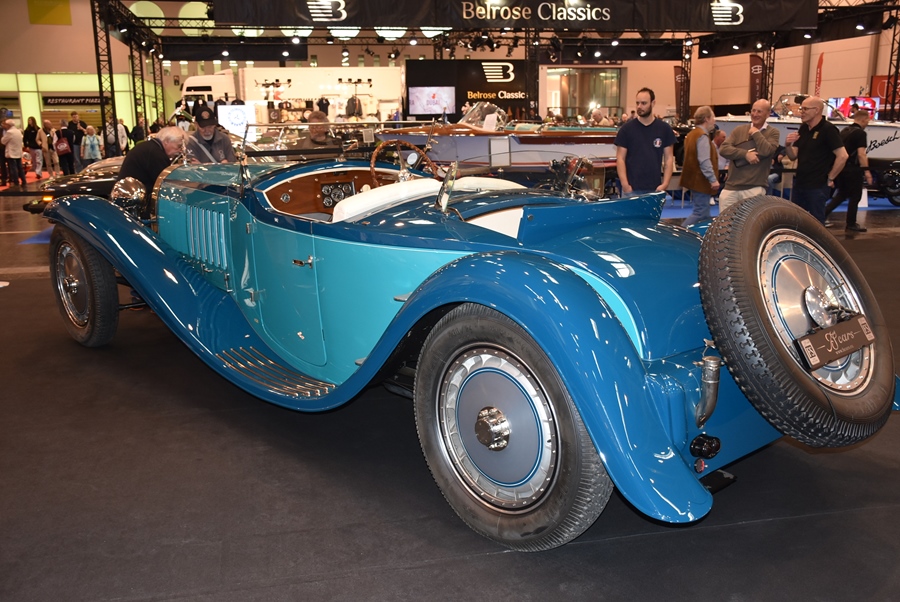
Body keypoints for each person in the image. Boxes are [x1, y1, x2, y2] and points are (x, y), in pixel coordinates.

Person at [784, 96, 848, 224]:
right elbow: (793, 155)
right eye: (801, 109)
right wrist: (787, 145)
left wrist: (830, 178)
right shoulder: (804, 128)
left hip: (817, 186)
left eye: (805, 109)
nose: (802, 112)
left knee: (816, 223)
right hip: (800, 183)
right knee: (796, 221)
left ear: (817, 110)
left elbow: (843, 156)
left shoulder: (828, 129)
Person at [717, 99, 781, 213]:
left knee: (749, 222)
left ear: (768, 114)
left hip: (755, 188)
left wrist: (756, 133)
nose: (755, 114)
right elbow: (724, 149)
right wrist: (745, 154)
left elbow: (767, 151)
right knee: (725, 221)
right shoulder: (739, 130)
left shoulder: (773, 132)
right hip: (731, 187)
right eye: (753, 110)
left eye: (759, 111)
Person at [614, 87, 676, 196]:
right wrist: (625, 185)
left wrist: (665, 184)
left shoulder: (664, 129)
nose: (639, 106)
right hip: (631, 189)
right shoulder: (626, 129)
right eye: (637, 103)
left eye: (643, 103)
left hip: (655, 189)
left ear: (653, 103)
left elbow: (669, 159)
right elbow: (620, 159)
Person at [117, 126, 188, 217]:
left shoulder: (149, 147)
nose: (180, 151)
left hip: (129, 201)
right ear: (167, 141)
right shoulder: (156, 154)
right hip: (136, 206)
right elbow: (166, 186)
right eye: (179, 146)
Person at [824, 110, 873, 232]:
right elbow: (861, 154)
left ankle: (823, 214)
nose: (868, 123)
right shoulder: (860, 133)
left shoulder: (845, 131)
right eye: (867, 120)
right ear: (863, 119)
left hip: (842, 167)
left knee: (842, 194)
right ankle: (851, 223)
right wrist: (867, 171)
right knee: (855, 196)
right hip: (853, 169)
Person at [680, 106, 720, 226]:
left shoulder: (691, 134)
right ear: (707, 119)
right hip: (701, 181)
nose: (714, 120)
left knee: (703, 214)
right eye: (713, 117)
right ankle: (680, 232)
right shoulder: (702, 136)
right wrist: (713, 179)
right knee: (700, 213)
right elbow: (704, 161)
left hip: (693, 180)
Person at [1, 119, 27, 187]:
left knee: (13, 168)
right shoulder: (18, 131)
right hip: (18, 152)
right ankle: (24, 180)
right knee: (20, 167)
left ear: (8, 125)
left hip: (11, 152)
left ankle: (16, 181)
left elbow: (3, 141)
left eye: (6, 124)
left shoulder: (9, 132)